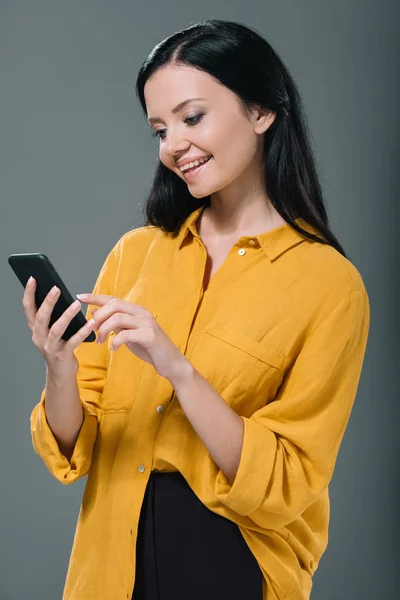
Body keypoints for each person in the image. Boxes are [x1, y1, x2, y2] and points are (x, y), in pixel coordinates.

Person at [26, 19, 370, 600]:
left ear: (262, 111)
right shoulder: (136, 254)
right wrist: (59, 366)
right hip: (111, 557)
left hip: (229, 556)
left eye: (191, 118)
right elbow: (74, 447)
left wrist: (177, 369)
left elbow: (290, 481)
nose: (172, 145)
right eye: (159, 129)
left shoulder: (329, 285)